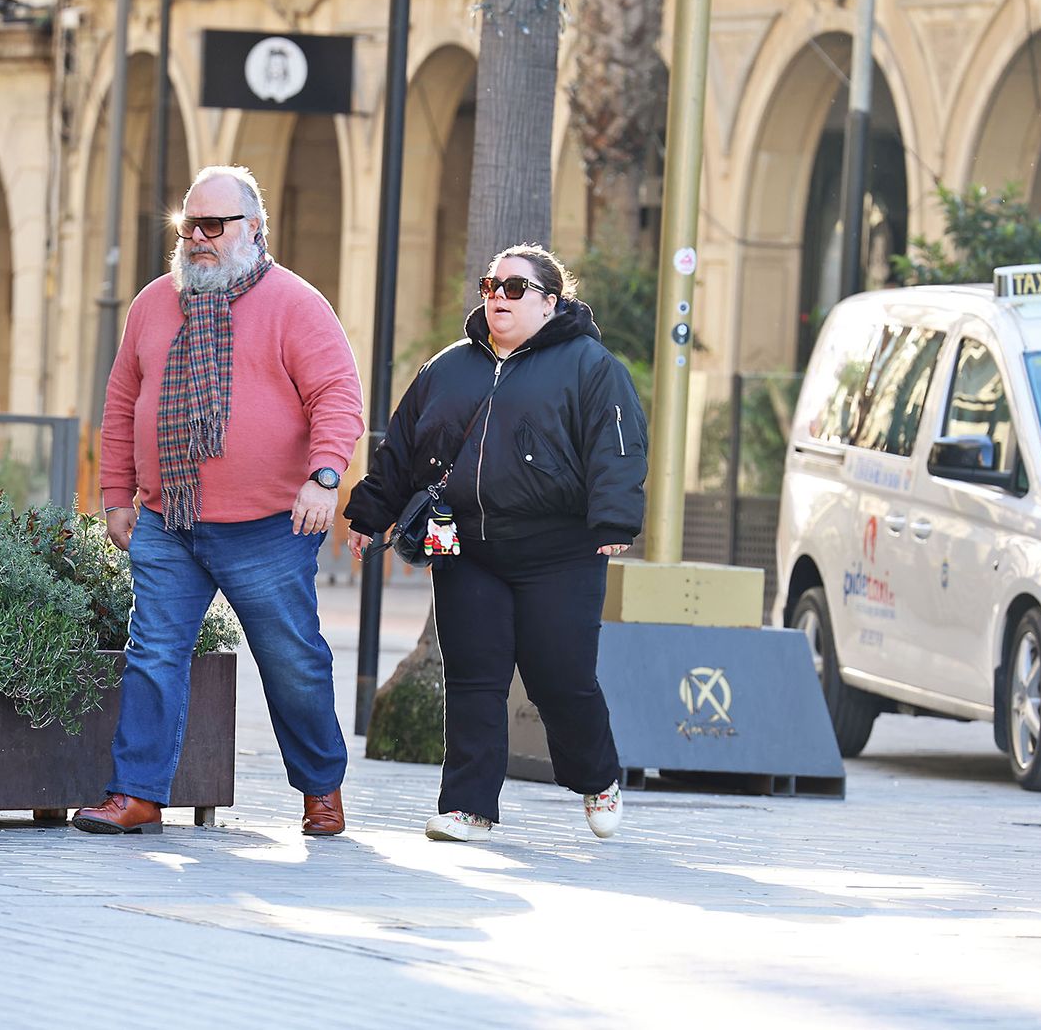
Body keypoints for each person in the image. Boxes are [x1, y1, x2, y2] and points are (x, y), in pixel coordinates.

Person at [73, 165, 365, 837]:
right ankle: (136, 793)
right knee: (151, 652)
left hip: (268, 526)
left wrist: (324, 478)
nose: (198, 238)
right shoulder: (153, 303)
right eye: (188, 226)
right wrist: (118, 494)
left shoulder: (296, 303)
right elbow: (121, 404)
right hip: (169, 520)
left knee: (291, 659)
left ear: (254, 229)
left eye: (214, 225)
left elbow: (337, 397)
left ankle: (321, 788)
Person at [344, 244, 648, 843]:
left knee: (560, 678)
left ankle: (598, 778)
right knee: (474, 676)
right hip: (466, 547)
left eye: (513, 288)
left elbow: (618, 443)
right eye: (489, 285)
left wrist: (615, 521)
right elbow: (402, 446)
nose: (496, 297)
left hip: (559, 552)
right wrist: (369, 510)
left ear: (549, 302)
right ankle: (468, 806)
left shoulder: (590, 366)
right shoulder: (449, 366)